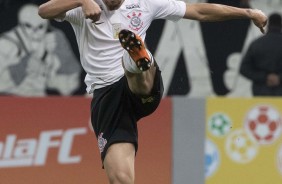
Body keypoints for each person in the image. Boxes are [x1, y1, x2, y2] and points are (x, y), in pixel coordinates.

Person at [38, 0, 267, 183]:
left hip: (144, 87)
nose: (114, 2)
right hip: (107, 97)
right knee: (120, 178)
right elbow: (44, 11)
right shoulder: (80, 9)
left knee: (133, 67)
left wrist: (248, 13)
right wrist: (82, 1)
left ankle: (137, 57)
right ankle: (136, 57)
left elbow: (199, 11)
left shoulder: (145, 3)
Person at [240, 12, 282, 96]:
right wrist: (279, 78)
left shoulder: (256, 44)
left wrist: (265, 77)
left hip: (261, 92)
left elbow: (244, 69)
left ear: (268, 24)